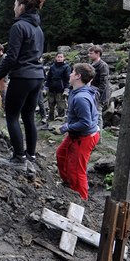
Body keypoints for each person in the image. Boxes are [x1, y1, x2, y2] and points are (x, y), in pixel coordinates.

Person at [0, 0, 46, 178]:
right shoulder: (38, 29)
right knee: (29, 116)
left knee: (12, 116)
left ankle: (18, 159)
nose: (13, 8)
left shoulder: (18, 27)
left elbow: (12, 57)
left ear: (21, 6)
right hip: (38, 77)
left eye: (15, 5)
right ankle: (31, 156)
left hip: (22, 76)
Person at [55, 63, 100, 200]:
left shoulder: (81, 98)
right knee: (61, 155)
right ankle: (68, 184)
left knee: (78, 170)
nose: (69, 74)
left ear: (78, 76)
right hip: (77, 135)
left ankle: (81, 199)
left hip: (84, 137)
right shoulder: (78, 91)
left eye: (72, 72)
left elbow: (85, 123)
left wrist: (65, 127)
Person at [88, 46, 111, 129]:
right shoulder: (91, 64)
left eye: (91, 53)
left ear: (98, 54)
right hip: (91, 92)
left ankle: (98, 137)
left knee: (97, 115)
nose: (89, 55)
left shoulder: (103, 66)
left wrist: (98, 94)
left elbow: (103, 83)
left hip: (100, 95)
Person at [45, 52, 71, 121]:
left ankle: (60, 122)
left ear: (64, 58)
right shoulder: (52, 67)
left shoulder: (66, 67)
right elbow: (48, 78)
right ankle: (50, 120)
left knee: (61, 107)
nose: (59, 58)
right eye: (58, 57)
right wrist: (46, 87)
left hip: (61, 90)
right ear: (56, 58)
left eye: (61, 57)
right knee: (51, 106)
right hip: (51, 89)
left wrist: (66, 89)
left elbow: (67, 79)